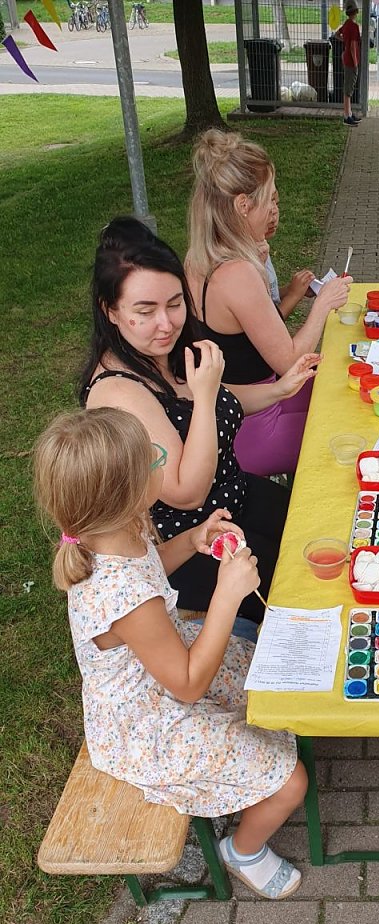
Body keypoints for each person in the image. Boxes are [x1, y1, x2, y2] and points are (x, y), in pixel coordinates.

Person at [34, 407, 308, 899]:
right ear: (130, 490)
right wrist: (227, 595)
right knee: (290, 783)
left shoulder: (116, 531)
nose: (162, 460)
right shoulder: (122, 595)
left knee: (273, 682)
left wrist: (191, 539)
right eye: (154, 458)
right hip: (147, 726)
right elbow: (188, 685)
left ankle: (236, 777)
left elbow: (151, 566)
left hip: (164, 674)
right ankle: (243, 850)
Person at [81, 217, 318, 627]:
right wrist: (206, 397)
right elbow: (186, 493)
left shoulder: (157, 352)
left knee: (321, 530)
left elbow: (215, 397)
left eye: (175, 304)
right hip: (189, 542)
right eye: (145, 310)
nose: (167, 323)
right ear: (111, 311)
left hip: (233, 498)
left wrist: (279, 390)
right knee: (303, 592)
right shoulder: (117, 391)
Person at [186, 130, 350, 476]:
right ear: (243, 206)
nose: (274, 210)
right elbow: (289, 360)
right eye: (269, 201)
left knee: (342, 387)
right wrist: (323, 304)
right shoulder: (238, 274)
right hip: (253, 431)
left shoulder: (199, 258)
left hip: (240, 409)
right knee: (345, 426)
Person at [264, 187, 316, 320]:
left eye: (277, 204)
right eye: (265, 206)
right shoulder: (242, 264)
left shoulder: (262, 247)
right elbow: (270, 324)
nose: (274, 215)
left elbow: (269, 299)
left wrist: (293, 289)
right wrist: (294, 295)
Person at [336, 1, 361, 127]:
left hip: (345, 58)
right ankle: (346, 116)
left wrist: (344, 41)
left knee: (348, 87)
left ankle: (349, 113)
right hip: (351, 61)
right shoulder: (354, 27)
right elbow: (353, 46)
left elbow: (337, 34)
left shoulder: (346, 24)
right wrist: (355, 62)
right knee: (348, 89)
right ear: (356, 12)